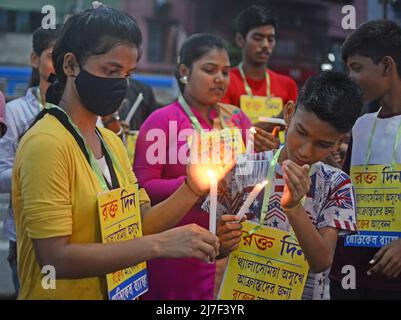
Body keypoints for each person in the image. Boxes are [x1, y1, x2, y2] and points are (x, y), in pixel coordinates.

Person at [12, 5, 237, 300]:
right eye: (111, 70)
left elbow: (139, 223)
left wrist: (193, 186)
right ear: (70, 65)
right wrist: (160, 245)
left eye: (128, 73)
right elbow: (55, 258)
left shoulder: (111, 142)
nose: (121, 83)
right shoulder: (46, 143)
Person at [134, 33, 275, 300]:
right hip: (176, 250)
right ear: (185, 72)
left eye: (225, 72)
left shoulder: (237, 119)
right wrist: (196, 183)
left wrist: (266, 157)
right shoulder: (161, 121)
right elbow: (143, 187)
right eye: (210, 70)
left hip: (231, 246)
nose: (220, 79)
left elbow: (253, 182)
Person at [207, 71, 363, 299]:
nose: (305, 151)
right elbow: (212, 245)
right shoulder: (241, 168)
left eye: (322, 144)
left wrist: (293, 208)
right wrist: (223, 243)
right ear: (289, 113)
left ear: (339, 142)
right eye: (301, 132)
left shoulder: (337, 184)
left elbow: (321, 262)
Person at [330, 20, 401, 300]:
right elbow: (347, 191)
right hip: (350, 274)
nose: (350, 78)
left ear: (386, 65)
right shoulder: (360, 125)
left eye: (357, 68)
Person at [0, 26, 59, 295]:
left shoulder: (83, 114)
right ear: (35, 60)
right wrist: (36, 173)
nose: (58, 65)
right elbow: (1, 173)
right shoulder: (14, 113)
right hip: (25, 237)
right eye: (51, 56)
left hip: (73, 236)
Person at [222, 5, 298, 114]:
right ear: (240, 40)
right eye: (258, 38)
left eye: (270, 39)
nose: (265, 45)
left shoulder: (288, 86)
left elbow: (292, 128)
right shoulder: (225, 82)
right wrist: (276, 121)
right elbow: (225, 128)